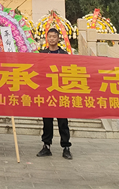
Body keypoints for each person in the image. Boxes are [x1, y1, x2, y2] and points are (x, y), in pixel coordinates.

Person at [36, 28, 72, 160]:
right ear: (47, 38)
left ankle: (66, 147)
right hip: (46, 92)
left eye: (54, 37)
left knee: (63, 121)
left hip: (61, 93)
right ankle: (46, 146)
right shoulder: (41, 54)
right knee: (47, 121)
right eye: (49, 36)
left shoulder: (64, 55)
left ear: (58, 39)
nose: (51, 39)